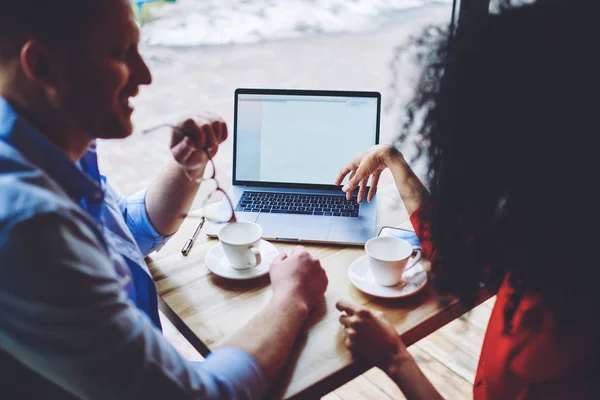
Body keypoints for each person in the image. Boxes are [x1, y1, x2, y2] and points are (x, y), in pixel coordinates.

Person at [0, 0, 328, 398]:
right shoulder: (29, 226)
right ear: (43, 65)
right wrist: (292, 297)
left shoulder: (52, 150)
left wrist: (188, 166)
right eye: (121, 54)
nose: (146, 76)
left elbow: (126, 234)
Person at [335, 0, 600, 399]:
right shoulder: (557, 235)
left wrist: (394, 358)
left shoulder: (556, 346)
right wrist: (392, 159)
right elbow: (463, 253)